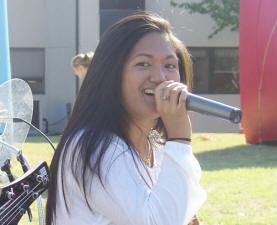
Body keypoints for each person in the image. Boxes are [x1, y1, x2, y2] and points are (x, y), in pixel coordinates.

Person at [46, 12, 206, 225]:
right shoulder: (94, 147)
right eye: (143, 64)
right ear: (112, 74)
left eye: (169, 66)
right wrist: (179, 139)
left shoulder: (153, 146)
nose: (160, 77)